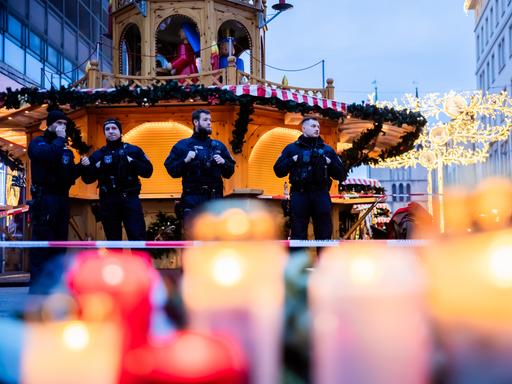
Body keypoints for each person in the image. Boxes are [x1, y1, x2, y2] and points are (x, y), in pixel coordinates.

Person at [28, 110, 84, 293]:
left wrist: (80, 168)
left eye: (65, 124)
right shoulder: (38, 143)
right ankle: (37, 287)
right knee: (42, 243)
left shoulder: (65, 150)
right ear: (49, 124)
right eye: (59, 123)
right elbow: (48, 156)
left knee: (60, 243)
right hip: (45, 199)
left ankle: (56, 285)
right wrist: (60, 139)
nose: (62, 127)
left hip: (62, 199)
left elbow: (67, 176)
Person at [273, 116, 345, 240]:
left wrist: (329, 163)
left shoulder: (327, 150)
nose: (317, 129)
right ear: (304, 128)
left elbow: (341, 175)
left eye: (318, 126)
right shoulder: (292, 149)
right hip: (299, 194)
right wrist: (293, 160)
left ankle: (323, 260)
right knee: (298, 234)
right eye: (313, 126)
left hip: (321, 194)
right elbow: (278, 171)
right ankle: (299, 259)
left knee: (324, 234)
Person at [82, 118, 153, 240]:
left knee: (137, 237)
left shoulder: (133, 150)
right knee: (113, 240)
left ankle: (140, 259)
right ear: (104, 133)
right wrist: (89, 166)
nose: (110, 131)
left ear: (121, 132)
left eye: (114, 128)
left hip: (130, 199)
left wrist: (133, 162)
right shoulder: (99, 154)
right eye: (107, 129)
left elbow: (148, 171)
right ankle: (115, 260)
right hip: (108, 201)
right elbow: (87, 179)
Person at [164, 109, 235, 222]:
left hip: (214, 200)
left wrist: (224, 163)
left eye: (210, 120)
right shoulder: (183, 146)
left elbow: (229, 173)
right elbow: (172, 171)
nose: (209, 123)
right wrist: (185, 160)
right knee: (192, 235)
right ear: (196, 122)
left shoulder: (218, 146)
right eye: (205, 120)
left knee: (215, 236)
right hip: (192, 199)